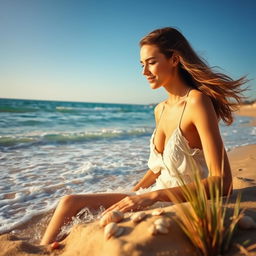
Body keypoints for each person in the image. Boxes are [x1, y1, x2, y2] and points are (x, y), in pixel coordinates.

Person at [40, 27, 248, 245]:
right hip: (153, 193)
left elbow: (222, 183)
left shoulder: (197, 102)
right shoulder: (160, 109)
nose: (144, 72)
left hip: (181, 199)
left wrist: (152, 197)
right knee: (69, 203)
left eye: (151, 62)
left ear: (174, 59)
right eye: (142, 65)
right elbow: (159, 168)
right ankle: (47, 249)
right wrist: (134, 194)